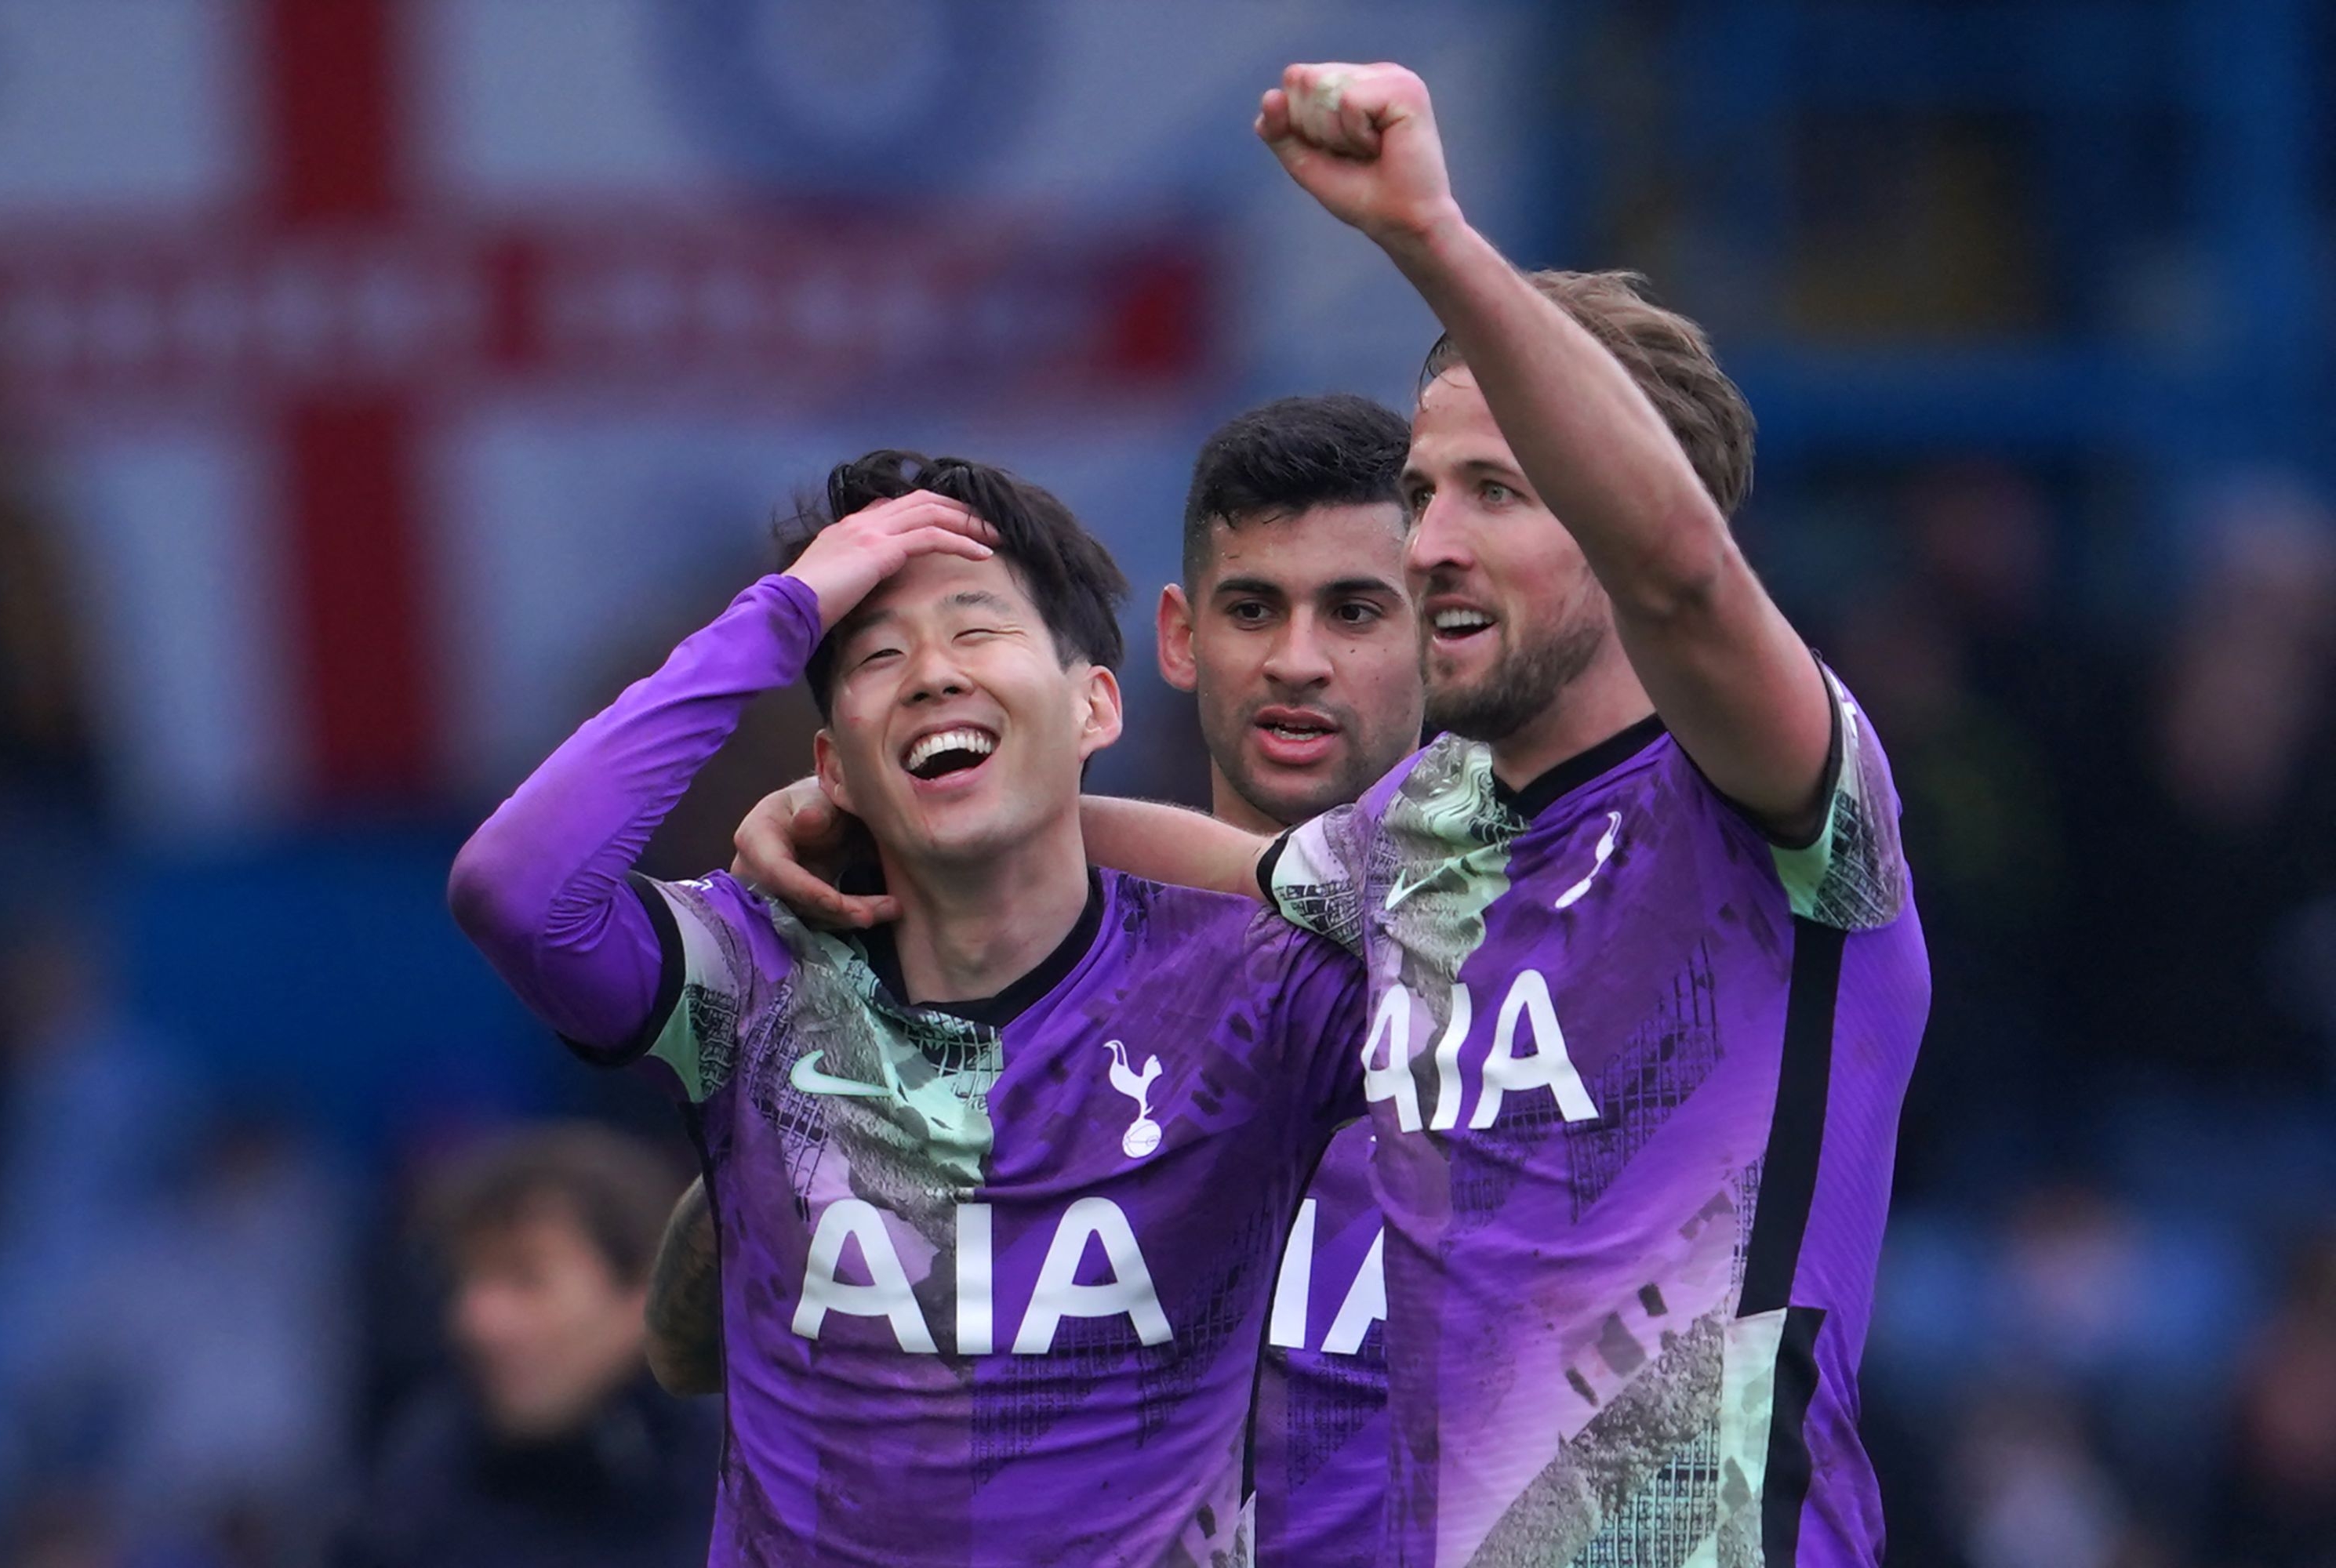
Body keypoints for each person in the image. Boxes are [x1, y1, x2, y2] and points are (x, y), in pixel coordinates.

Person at [738, 60, 1929, 1564]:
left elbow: (1686, 576)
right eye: (1425, 493)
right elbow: (1236, 869)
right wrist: (906, 806)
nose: (1432, 542)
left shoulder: (1784, 808)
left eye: (1497, 491)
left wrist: (1429, 233)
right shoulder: (1424, 830)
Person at [447, 451, 1365, 1566]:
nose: (932, 673)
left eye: (977, 632)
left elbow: (1455, 936)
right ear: (832, 765)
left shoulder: (1255, 985)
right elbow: (519, 891)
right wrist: (782, 616)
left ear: (1097, 705)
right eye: (878, 654)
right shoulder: (750, 974)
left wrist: (1056, 815)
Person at [331, 1125, 717, 1568]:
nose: (475, 1319)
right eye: (464, 1281)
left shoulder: (755, 1481)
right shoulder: (419, 1475)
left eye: (525, 1279)